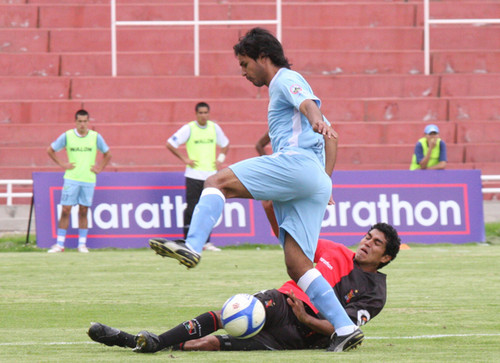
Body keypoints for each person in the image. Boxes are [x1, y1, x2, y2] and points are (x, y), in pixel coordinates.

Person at [148, 27, 363, 352]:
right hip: (313, 180)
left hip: (297, 165)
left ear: (264, 57)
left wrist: (315, 117)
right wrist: (326, 179)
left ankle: (193, 244)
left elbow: (308, 104)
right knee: (298, 264)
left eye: (245, 64)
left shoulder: (284, 79)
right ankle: (345, 328)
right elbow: (331, 136)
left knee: (216, 182)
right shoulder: (281, 96)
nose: (244, 72)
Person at [87, 222, 401, 353]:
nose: (366, 243)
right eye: (367, 236)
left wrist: (306, 320)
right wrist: (270, 205)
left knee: (208, 345)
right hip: (281, 302)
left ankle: (151, 343)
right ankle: (146, 342)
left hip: (300, 335)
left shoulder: (375, 293)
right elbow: (288, 235)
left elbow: (343, 330)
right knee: (232, 312)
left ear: (385, 257)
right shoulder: (333, 250)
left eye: (376, 243)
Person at [166, 102, 230, 252]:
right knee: (192, 208)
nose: (203, 115)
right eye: (200, 113)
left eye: (205, 113)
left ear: (209, 113)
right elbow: (170, 143)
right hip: (194, 175)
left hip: (211, 176)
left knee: (208, 209)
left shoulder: (214, 128)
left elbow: (225, 144)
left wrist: (220, 159)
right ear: (196, 114)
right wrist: (184, 159)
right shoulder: (190, 128)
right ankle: (189, 241)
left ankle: (206, 242)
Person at [46, 109, 111, 253]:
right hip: (71, 178)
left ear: (88, 122)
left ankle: (82, 244)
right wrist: (63, 164)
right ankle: (60, 244)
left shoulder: (95, 137)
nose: (82, 124)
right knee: (65, 210)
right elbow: (50, 150)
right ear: (75, 122)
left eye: (85, 121)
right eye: (80, 121)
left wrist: (99, 168)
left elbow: (107, 153)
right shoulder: (68, 136)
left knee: (83, 210)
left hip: (88, 179)